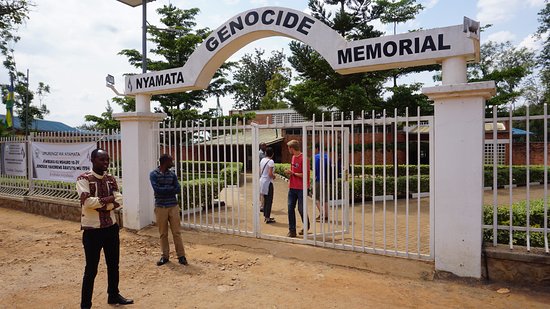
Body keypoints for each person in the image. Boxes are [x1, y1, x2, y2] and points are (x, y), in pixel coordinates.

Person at [76, 148, 133, 309]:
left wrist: (103, 203)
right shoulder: (83, 179)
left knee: (113, 265)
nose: (106, 163)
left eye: (107, 160)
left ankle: (113, 295)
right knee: (91, 269)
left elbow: (119, 199)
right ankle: (85, 304)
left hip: (111, 228)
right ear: (93, 160)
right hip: (92, 231)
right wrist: (109, 201)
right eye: (102, 160)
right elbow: (87, 202)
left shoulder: (110, 178)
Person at [149, 154, 188, 266]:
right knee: (163, 233)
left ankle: (181, 256)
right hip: (160, 207)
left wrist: (164, 189)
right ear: (165, 162)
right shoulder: (153, 174)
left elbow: (178, 189)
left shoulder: (172, 175)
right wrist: (170, 189)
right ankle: (165, 256)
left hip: (173, 206)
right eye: (171, 161)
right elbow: (157, 189)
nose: (173, 163)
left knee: (177, 232)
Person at [285, 140, 310, 237]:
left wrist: (293, 173)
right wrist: (290, 172)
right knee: (290, 208)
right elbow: (294, 170)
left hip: (302, 188)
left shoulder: (304, 159)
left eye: (289, 148)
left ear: (292, 148)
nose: (288, 150)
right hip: (292, 187)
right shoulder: (293, 157)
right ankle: (292, 230)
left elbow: (305, 174)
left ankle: (306, 225)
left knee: (301, 208)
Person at [259, 147, 276, 223]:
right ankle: (267, 217)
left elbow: (260, 171)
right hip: (268, 182)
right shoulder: (271, 161)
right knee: (269, 200)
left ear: (265, 153)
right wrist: (274, 176)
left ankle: (266, 216)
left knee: (265, 199)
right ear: (272, 154)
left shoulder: (262, 160)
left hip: (262, 181)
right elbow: (270, 173)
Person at [314, 144, 330, 222]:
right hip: (327, 180)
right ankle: (326, 215)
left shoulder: (316, 157)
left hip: (319, 179)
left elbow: (315, 170)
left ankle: (322, 214)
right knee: (325, 198)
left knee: (316, 198)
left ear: (317, 148)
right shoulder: (327, 157)